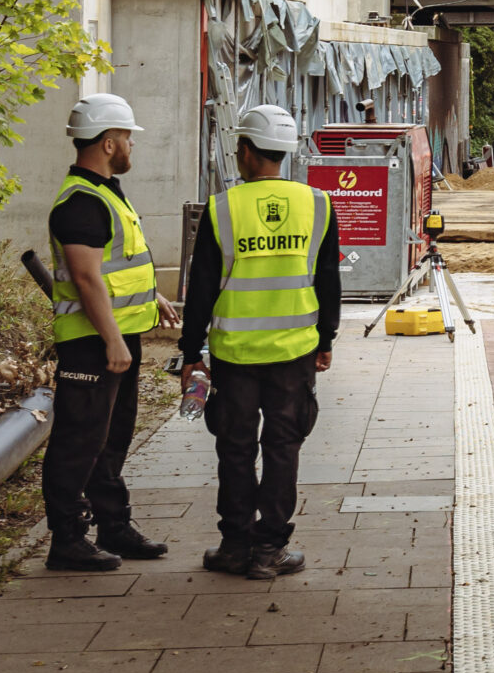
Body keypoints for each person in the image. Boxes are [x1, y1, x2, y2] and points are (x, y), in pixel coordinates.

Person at [179, 105, 339, 581]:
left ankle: (234, 545)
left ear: (246, 151)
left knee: (235, 448)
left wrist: (191, 354)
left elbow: (201, 288)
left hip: (234, 355)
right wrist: (325, 339)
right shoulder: (318, 205)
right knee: (283, 448)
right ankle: (269, 549)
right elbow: (327, 280)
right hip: (295, 353)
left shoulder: (222, 208)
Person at [44, 94, 182, 572]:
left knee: (112, 436)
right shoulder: (81, 202)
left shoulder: (106, 191)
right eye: (125, 137)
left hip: (117, 337)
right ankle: (67, 539)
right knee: (79, 440)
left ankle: (113, 525)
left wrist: (151, 299)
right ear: (107, 142)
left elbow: (116, 268)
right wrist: (112, 340)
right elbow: (86, 278)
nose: (129, 145)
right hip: (92, 344)